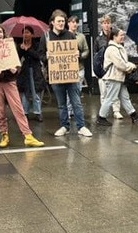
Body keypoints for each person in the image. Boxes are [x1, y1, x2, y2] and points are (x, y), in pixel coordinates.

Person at [0, 23, 45, 149]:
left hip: (9, 81)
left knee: (18, 108)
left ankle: (28, 135)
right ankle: (4, 135)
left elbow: (16, 63)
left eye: (0, 32)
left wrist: (15, 69)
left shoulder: (10, 46)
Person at [39, 9, 93, 137]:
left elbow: (79, 52)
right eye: (59, 21)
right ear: (52, 22)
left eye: (63, 21)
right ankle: (64, 126)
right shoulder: (46, 37)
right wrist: (46, 56)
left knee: (76, 102)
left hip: (71, 74)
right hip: (56, 76)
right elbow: (40, 55)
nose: (61, 23)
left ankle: (81, 127)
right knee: (62, 104)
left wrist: (77, 54)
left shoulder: (70, 35)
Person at [96, 29, 138, 126]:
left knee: (124, 97)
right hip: (113, 77)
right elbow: (120, 64)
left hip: (118, 77)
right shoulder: (112, 49)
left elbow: (122, 63)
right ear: (114, 37)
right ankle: (101, 117)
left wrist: (128, 65)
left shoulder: (118, 47)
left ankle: (133, 115)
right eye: (120, 35)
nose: (123, 37)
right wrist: (132, 66)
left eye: (123, 35)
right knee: (110, 98)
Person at [94, 15, 123, 119]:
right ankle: (104, 112)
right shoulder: (98, 39)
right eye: (104, 23)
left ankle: (116, 110)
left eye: (108, 23)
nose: (106, 25)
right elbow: (96, 55)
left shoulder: (114, 36)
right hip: (103, 68)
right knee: (103, 92)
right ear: (101, 25)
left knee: (115, 91)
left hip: (114, 68)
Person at [16, 25, 44, 122]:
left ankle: (38, 112)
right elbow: (17, 58)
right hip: (25, 71)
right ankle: (25, 112)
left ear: (32, 34)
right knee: (25, 93)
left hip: (35, 71)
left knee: (36, 92)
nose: (25, 35)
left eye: (28, 32)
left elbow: (38, 56)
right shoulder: (20, 45)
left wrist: (28, 50)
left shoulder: (37, 45)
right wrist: (21, 49)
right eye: (24, 32)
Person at [66, 15, 89, 116]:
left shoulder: (81, 37)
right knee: (68, 91)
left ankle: (75, 110)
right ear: (68, 24)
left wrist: (80, 55)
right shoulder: (64, 36)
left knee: (77, 90)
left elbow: (86, 50)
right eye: (72, 22)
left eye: (76, 22)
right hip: (67, 68)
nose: (74, 24)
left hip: (79, 67)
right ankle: (68, 110)